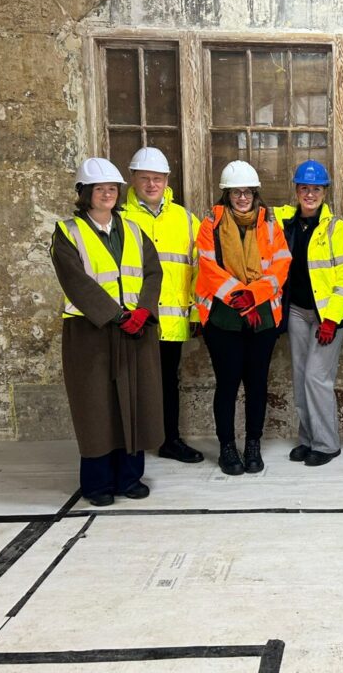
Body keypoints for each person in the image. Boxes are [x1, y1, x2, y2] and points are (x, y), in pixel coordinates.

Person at [51, 157, 164, 507]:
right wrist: (115, 316)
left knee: (135, 401)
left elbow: (152, 273)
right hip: (91, 331)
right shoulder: (67, 232)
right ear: (85, 193)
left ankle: (130, 478)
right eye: (100, 189)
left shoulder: (132, 229)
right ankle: (97, 483)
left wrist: (143, 310)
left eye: (112, 189)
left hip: (136, 329)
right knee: (96, 407)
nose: (107, 194)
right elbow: (75, 281)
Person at [195, 160, 291, 476]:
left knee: (256, 384)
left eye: (247, 191)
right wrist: (239, 294)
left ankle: (253, 445)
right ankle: (227, 448)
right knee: (227, 384)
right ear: (227, 194)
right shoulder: (210, 224)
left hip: (262, 316)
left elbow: (281, 264)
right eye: (236, 192)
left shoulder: (269, 224)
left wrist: (255, 295)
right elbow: (208, 268)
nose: (242, 197)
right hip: (223, 316)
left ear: (255, 193)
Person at [274, 160, 343, 466]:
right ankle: (308, 439)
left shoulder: (338, 230)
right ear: (297, 190)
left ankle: (326, 444)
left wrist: (333, 319)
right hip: (297, 311)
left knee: (316, 377)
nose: (310, 194)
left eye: (316, 189)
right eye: (305, 188)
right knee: (300, 377)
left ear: (325, 192)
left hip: (327, 317)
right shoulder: (285, 221)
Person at [123, 147, 204, 464]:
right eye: (145, 179)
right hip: (133, 319)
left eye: (157, 179)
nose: (152, 184)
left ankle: (170, 440)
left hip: (170, 320)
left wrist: (197, 312)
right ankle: (133, 444)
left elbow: (200, 269)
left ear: (167, 180)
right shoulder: (120, 217)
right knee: (132, 383)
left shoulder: (184, 219)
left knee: (169, 382)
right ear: (133, 179)